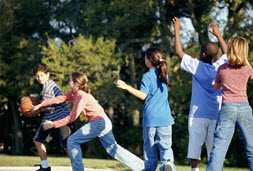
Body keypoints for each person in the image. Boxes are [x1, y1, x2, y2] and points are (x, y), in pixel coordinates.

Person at [33, 72, 144, 171]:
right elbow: (60, 98)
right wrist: (41, 104)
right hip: (103, 121)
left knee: (72, 141)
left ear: (76, 83)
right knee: (113, 149)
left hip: (99, 122)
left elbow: (72, 117)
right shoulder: (74, 93)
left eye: (70, 80)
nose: (68, 82)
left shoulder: (82, 96)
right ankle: (142, 167)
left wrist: (53, 124)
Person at [172, 17, 227, 171]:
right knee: (213, 149)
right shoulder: (221, 67)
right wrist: (218, 34)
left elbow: (179, 52)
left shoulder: (197, 67)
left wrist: (176, 30)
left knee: (195, 146)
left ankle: (194, 170)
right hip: (215, 114)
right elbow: (227, 53)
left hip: (197, 115)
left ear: (203, 54)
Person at [116, 47, 175, 171]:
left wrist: (127, 87)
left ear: (149, 60)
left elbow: (143, 95)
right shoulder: (164, 74)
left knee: (150, 148)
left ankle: (150, 168)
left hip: (151, 119)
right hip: (165, 119)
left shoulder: (147, 76)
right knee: (166, 147)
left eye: (145, 57)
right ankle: (167, 164)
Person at [207, 36, 253, 171]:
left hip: (227, 108)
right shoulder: (247, 69)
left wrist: (218, 83)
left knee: (219, 147)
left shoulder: (222, 69)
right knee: (251, 146)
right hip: (245, 107)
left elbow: (215, 86)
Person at [33, 64, 71, 171]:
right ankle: (45, 167)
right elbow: (47, 105)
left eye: (41, 75)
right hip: (49, 119)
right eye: (37, 76)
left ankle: (77, 167)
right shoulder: (44, 87)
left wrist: (41, 106)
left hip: (60, 118)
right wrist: (39, 108)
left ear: (47, 75)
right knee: (37, 140)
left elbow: (61, 98)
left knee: (67, 145)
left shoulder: (52, 86)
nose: (39, 78)